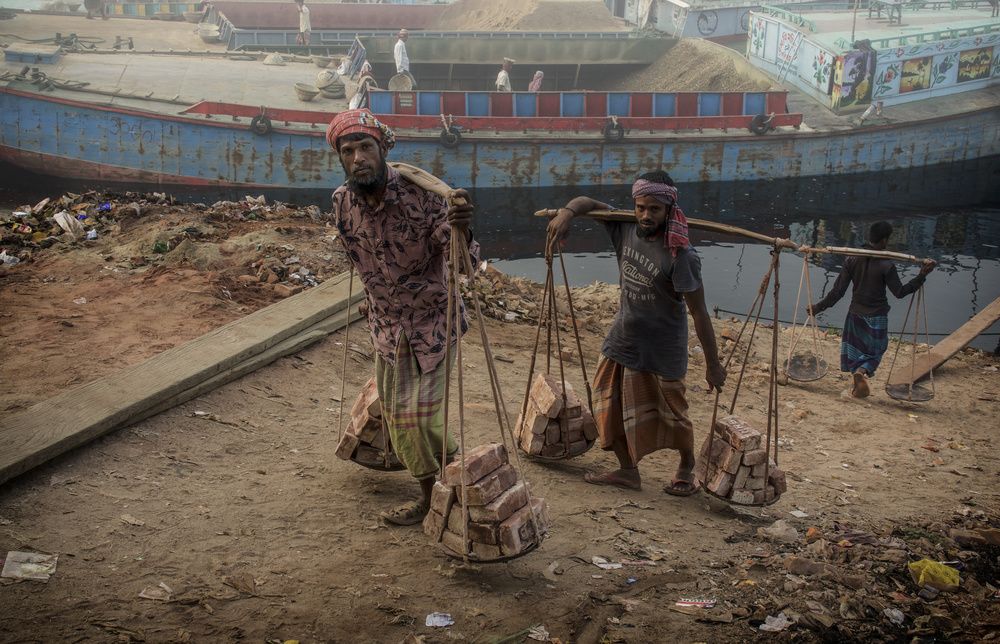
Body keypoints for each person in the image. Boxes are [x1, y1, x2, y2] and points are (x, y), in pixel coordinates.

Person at [325, 109, 479, 526]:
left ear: (384, 148)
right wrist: (371, 300)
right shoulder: (342, 203)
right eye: (348, 150)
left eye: (366, 147)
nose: (358, 157)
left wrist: (463, 228)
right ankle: (447, 465)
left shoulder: (425, 195)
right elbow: (362, 260)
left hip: (431, 323)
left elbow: (463, 263)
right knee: (396, 414)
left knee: (414, 416)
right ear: (340, 159)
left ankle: (429, 496)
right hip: (385, 327)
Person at [545, 172, 727, 496]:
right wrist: (567, 212)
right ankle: (628, 471)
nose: (646, 215)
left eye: (654, 209)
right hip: (624, 338)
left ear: (669, 208)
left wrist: (713, 364)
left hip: (663, 347)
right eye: (640, 207)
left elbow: (699, 313)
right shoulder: (624, 227)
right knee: (606, 403)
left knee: (674, 414)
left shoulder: (682, 255)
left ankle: (686, 467)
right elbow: (588, 203)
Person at [808, 221, 936, 398]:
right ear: (884, 240)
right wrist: (922, 276)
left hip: (855, 315)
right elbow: (899, 292)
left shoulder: (851, 259)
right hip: (877, 316)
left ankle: (858, 380)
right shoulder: (886, 265)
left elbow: (838, 291)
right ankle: (861, 372)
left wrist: (819, 307)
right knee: (876, 351)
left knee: (856, 350)